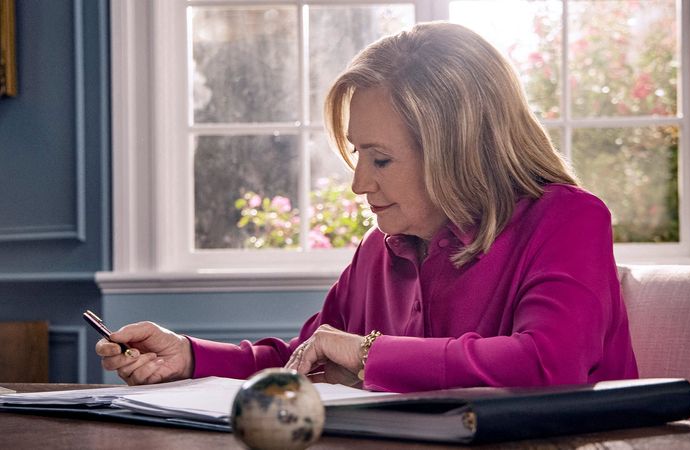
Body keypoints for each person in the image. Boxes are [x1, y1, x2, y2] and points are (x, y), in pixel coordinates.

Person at [96, 22, 638, 392]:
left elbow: (549, 364)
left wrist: (365, 353)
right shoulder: (380, 249)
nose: (358, 183)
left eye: (380, 160)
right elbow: (309, 359)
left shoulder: (568, 219)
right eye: (358, 154)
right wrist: (190, 356)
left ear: (459, 151)